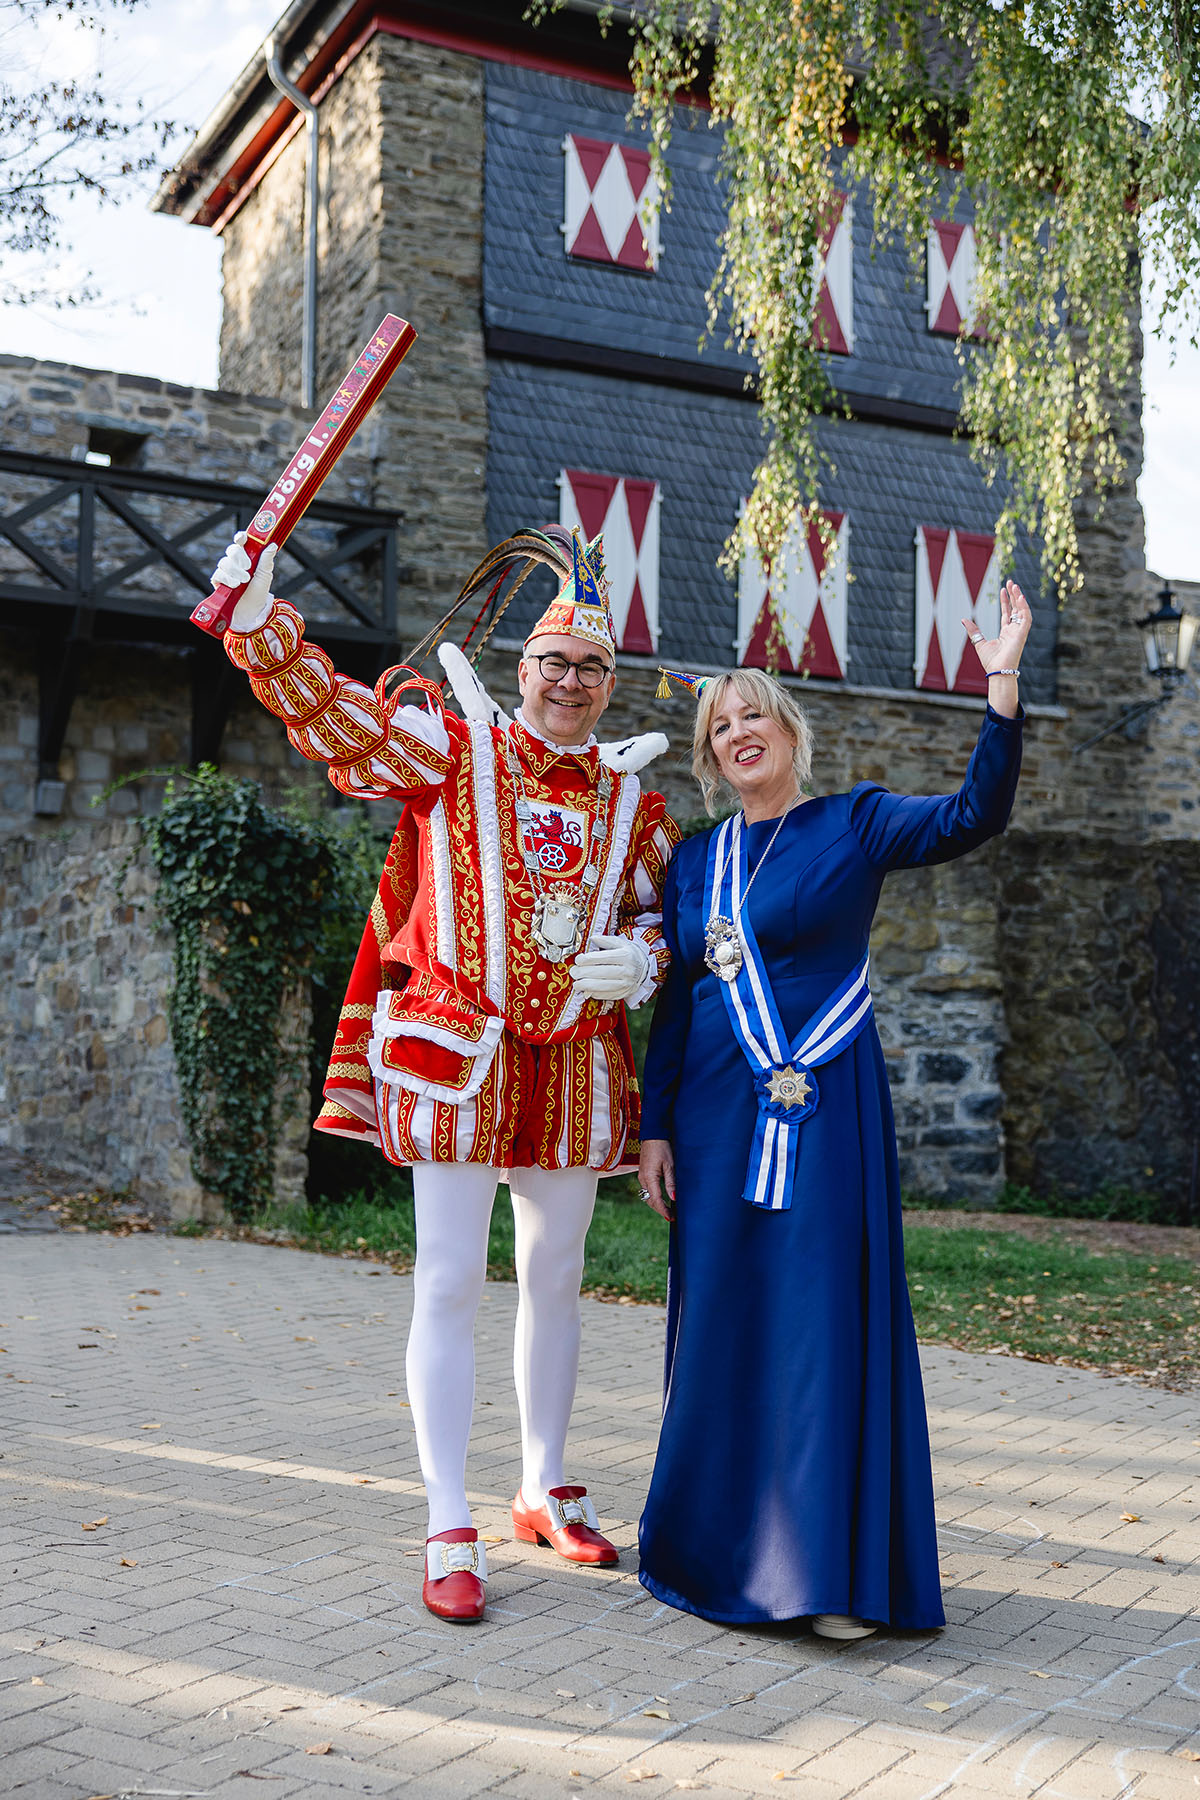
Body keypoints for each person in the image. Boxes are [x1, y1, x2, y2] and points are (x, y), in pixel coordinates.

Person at [209, 526, 678, 1623]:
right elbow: (342, 724)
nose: (572, 683)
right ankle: (446, 1515)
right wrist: (260, 625)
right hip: (459, 1058)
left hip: (572, 1064)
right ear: (523, 667)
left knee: (557, 1274)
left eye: (593, 667)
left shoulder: (634, 801)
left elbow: (667, 913)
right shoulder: (454, 748)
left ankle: (542, 1483)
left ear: (612, 685)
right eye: (555, 663)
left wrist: (646, 960)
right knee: (450, 1280)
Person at [637, 583, 1031, 1637]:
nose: (738, 733)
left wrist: (1000, 683)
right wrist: (654, 1126)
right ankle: (715, 1549)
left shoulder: (854, 822)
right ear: (709, 755)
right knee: (726, 1317)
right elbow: (678, 999)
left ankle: (826, 1572)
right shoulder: (695, 862)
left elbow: (974, 814)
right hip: (714, 1121)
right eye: (720, 726)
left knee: (818, 1317)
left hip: (824, 1114)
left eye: (753, 714)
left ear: (788, 729)